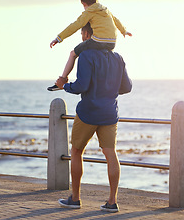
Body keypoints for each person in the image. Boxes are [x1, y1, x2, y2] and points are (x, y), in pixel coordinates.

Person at [55, 27, 132, 212]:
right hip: (109, 113)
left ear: (88, 35)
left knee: (76, 152)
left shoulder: (86, 55)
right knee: (110, 153)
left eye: (82, 34)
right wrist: (109, 89)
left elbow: (82, 85)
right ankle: (112, 202)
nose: (82, 39)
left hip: (89, 112)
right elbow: (127, 87)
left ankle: (75, 198)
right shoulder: (118, 58)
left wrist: (64, 86)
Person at [48, 0, 132, 91]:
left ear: (84, 4)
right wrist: (124, 31)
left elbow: (75, 25)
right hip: (112, 42)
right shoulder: (105, 10)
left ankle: (62, 81)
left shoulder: (89, 12)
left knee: (73, 53)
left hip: (98, 41)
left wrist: (59, 38)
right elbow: (115, 20)